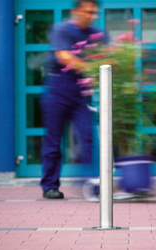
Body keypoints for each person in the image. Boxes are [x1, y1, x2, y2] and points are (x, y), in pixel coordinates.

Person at [40, 0, 108, 199]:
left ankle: (91, 182)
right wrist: (95, 69)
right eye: (86, 12)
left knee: (88, 138)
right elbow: (64, 57)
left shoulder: (98, 34)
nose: (90, 16)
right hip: (57, 91)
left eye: (93, 12)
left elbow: (107, 57)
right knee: (53, 141)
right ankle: (50, 186)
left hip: (80, 94)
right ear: (76, 11)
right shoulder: (61, 29)